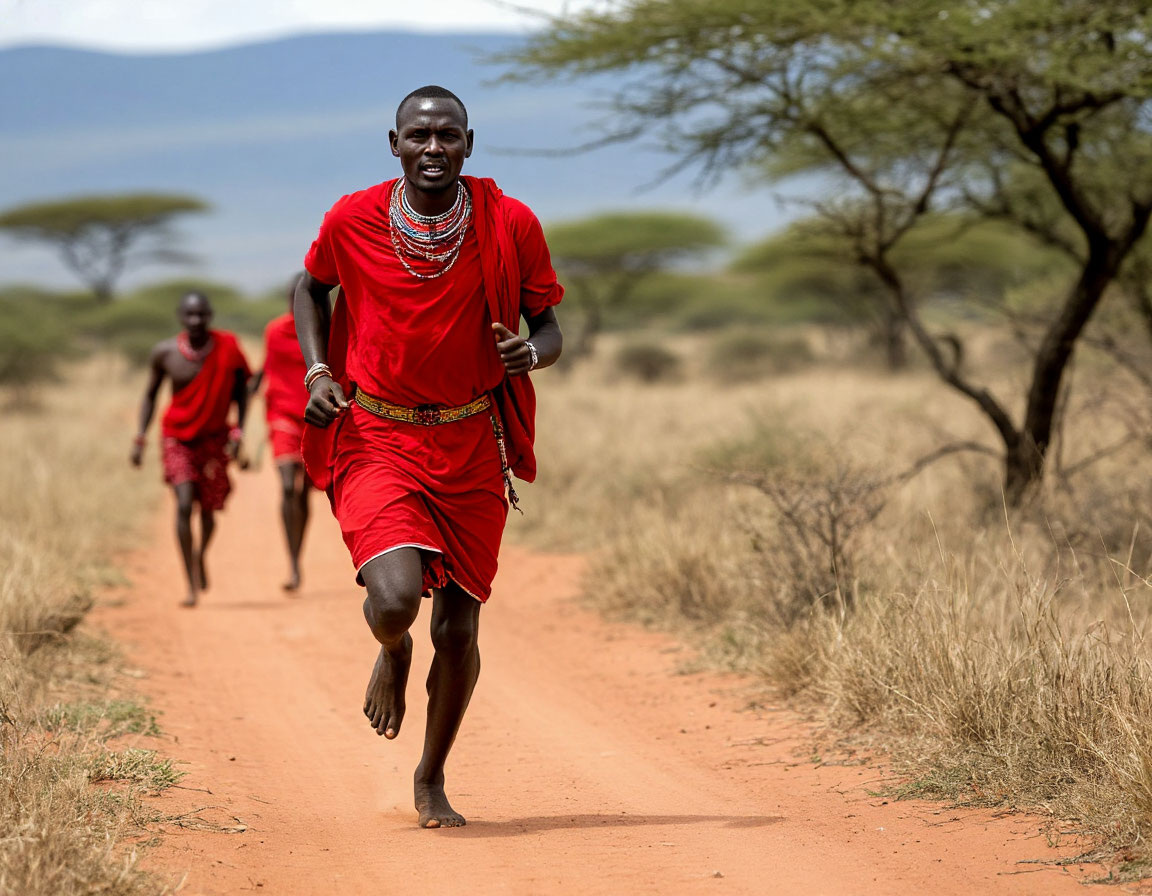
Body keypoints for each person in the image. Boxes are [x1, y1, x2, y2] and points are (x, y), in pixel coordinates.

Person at [295, 85, 563, 828]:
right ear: (394, 144)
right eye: (419, 136)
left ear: (470, 144)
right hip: (378, 433)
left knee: (459, 629)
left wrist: (528, 356)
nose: (434, 148)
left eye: (449, 135)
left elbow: (549, 328)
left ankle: (431, 775)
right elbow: (308, 288)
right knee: (393, 603)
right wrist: (319, 371)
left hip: (473, 439)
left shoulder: (511, 223)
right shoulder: (351, 219)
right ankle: (391, 650)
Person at [131, 291, 251, 608]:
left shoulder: (228, 348)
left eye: (202, 314)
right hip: (177, 438)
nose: (196, 320)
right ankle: (190, 585)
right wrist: (140, 438)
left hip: (214, 439)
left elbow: (243, 392)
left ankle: (200, 556)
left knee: (209, 510)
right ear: (180, 317)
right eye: (190, 315)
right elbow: (150, 395)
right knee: (184, 504)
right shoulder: (165, 352)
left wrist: (239, 431)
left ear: (210, 315)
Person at [250, 275, 315, 591]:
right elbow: (268, 365)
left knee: (304, 493)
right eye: (295, 296)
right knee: (289, 486)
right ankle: (293, 566)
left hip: (315, 418)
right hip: (282, 416)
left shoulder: (324, 331)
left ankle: (296, 556)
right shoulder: (274, 331)